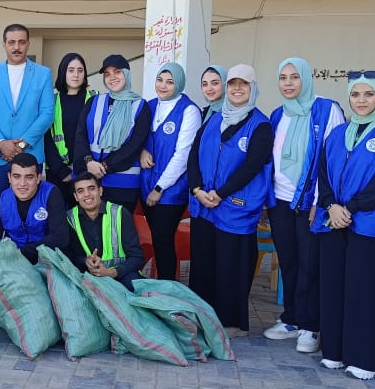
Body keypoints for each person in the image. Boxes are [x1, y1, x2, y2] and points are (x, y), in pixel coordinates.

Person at [311, 72, 375, 380]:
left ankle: (366, 358)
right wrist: (331, 205)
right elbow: (323, 174)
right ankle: (335, 351)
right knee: (334, 287)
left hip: (370, 223)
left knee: (363, 290)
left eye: (368, 94)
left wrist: (350, 208)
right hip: (333, 220)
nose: (361, 100)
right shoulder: (337, 134)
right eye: (355, 94)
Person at [261, 58, 345, 354]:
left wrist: (320, 201)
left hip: (311, 202)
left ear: (307, 79)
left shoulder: (326, 110)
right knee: (289, 261)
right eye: (283, 77)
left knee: (311, 263)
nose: (288, 83)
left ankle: (312, 325)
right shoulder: (278, 114)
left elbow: (332, 157)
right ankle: (292, 319)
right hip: (281, 200)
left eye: (294, 77)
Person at [187, 64, 273, 337]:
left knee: (231, 266)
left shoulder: (261, 125)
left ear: (252, 88)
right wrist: (197, 189)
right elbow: (194, 155)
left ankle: (232, 323)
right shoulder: (214, 119)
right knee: (203, 265)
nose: (237, 89)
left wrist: (221, 193)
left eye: (243, 84)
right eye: (233, 83)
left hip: (235, 207)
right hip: (204, 205)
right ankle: (203, 317)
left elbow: (252, 166)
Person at [0, 24, 55, 224]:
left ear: (28, 44)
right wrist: (1, 143)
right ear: (4, 44)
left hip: (30, 154)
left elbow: (47, 113)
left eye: (21, 42)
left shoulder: (43, 74)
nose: (16, 47)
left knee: (29, 214)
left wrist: (21, 144)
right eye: (11, 42)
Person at [138, 62, 200, 281]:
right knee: (157, 239)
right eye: (160, 80)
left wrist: (159, 187)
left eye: (170, 82)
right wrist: (142, 151)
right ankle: (160, 287)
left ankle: (168, 288)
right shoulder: (149, 106)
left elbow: (183, 155)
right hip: (146, 185)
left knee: (163, 239)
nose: (163, 86)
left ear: (179, 84)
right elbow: (138, 137)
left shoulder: (189, 111)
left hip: (171, 189)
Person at [75, 54, 151, 214]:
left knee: (118, 227)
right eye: (107, 74)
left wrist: (104, 166)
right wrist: (89, 162)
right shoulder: (94, 101)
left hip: (123, 184)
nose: (112, 77)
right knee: (92, 227)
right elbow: (81, 135)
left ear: (127, 74)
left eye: (117, 72)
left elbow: (135, 145)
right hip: (91, 180)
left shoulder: (139, 106)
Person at [0, 153, 69, 264]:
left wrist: (21, 253)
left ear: (38, 178)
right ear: (9, 177)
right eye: (16, 176)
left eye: (29, 177)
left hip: (47, 259)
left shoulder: (51, 193)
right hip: (13, 261)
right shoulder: (3, 198)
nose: (22, 183)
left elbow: (60, 237)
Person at [65, 173, 145, 290]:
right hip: (90, 274)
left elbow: (137, 257)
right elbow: (74, 256)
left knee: (136, 290)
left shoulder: (120, 213)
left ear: (100, 191)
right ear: (76, 197)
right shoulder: (70, 218)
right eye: (81, 191)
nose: (87, 194)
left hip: (122, 274)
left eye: (91, 188)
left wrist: (112, 272)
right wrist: (86, 261)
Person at [45, 52, 94, 207]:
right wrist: (61, 170)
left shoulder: (95, 99)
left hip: (88, 171)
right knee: (59, 215)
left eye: (80, 70)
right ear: (63, 72)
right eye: (71, 70)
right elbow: (46, 137)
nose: (76, 75)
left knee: (86, 216)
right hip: (58, 172)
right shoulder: (51, 101)